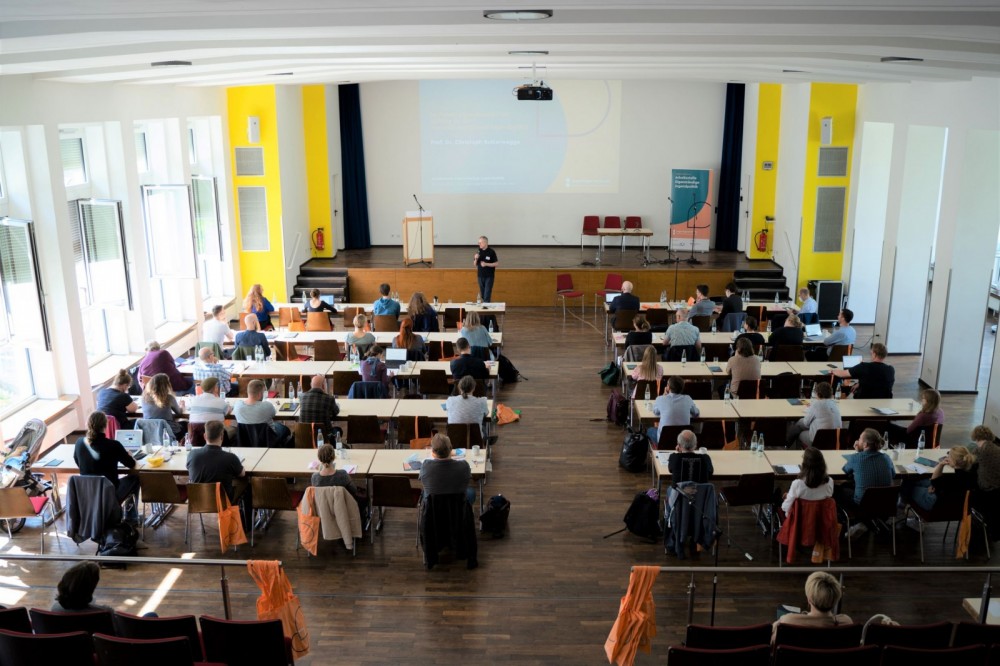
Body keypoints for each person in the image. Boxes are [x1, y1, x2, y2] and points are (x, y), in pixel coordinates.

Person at [74, 411, 139, 522]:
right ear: (105, 425)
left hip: (88, 493)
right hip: (110, 493)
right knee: (135, 478)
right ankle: (130, 517)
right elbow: (131, 464)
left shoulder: (79, 442)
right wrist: (128, 455)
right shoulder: (113, 445)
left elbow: (77, 461)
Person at [187, 420, 251, 532]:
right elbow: (242, 474)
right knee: (246, 483)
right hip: (224, 500)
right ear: (222, 436)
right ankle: (247, 526)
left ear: (205, 436)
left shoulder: (192, 454)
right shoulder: (230, 457)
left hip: (199, 500)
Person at [838, 428, 895, 538]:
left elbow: (846, 471)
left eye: (860, 439)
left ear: (865, 444)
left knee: (839, 490)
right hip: (885, 505)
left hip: (862, 505)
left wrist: (857, 453)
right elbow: (893, 475)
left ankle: (856, 523)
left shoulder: (856, 458)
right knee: (850, 486)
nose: (857, 440)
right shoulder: (887, 458)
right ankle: (867, 523)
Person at [771, 572, 852, 642]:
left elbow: (772, 643)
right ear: (836, 599)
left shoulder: (787, 621)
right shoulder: (846, 622)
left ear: (809, 599)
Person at [900, 446, 977, 512]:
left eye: (949, 456)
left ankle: (902, 504)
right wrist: (936, 487)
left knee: (908, 486)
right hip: (957, 507)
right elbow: (937, 483)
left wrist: (941, 465)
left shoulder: (949, 478)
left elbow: (934, 481)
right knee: (915, 482)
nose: (947, 457)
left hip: (935, 505)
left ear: (954, 461)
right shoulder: (971, 473)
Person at [419, 433, 476, 505]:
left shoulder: (425, 466)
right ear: (451, 449)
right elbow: (467, 479)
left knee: (425, 492)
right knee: (471, 492)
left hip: (433, 507)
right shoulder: (464, 466)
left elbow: (422, 479)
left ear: (433, 451)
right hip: (457, 506)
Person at [233, 379, 292, 447]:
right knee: (284, 429)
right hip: (268, 440)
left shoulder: (238, 405)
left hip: (245, 441)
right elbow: (273, 414)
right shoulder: (267, 406)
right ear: (260, 394)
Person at [786, 381, 842, 447]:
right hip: (835, 440)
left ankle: (788, 445)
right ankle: (787, 444)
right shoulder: (835, 404)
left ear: (818, 394)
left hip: (819, 441)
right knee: (803, 425)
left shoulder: (816, 404)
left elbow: (806, 423)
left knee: (800, 430)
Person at [780, 447, 834, 514]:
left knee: (778, 500)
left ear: (804, 465)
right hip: (821, 519)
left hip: (799, 520)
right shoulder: (829, 482)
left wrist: (788, 497)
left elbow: (785, 507)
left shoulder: (797, 484)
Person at [649, 376, 699, 444]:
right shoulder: (688, 399)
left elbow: (656, 412)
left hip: (664, 441)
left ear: (668, 387)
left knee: (650, 430)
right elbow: (696, 413)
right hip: (683, 441)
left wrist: (664, 396)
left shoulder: (660, 399)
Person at [311, 443, 362, 509]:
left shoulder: (315, 477)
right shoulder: (342, 474)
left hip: (324, 510)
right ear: (334, 457)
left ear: (319, 458)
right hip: (342, 508)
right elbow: (354, 490)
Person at [140, 373, 184, 438]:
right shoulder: (169, 398)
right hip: (169, 432)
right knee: (185, 424)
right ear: (166, 385)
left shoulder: (144, 398)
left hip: (150, 433)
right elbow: (179, 412)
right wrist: (182, 406)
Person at [972, 426, 1000, 492]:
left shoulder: (980, 450)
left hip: (987, 486)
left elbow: (968, 461)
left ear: (976, 438)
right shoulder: (997, 447)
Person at [473, 235, 498, 302]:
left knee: (487, 294)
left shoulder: (491, 252)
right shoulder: (478, 251)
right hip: (480, 276)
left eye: (480, 242)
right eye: (478, 243)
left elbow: (496, 264)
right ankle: (485, 306)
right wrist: (476, 258)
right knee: (483, 295)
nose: (479, 244)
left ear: (485, 243)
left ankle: (486, 308)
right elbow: (475, 264)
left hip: (489, 277)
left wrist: (486, 264)